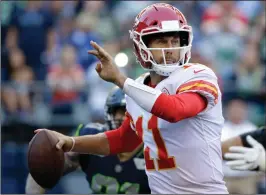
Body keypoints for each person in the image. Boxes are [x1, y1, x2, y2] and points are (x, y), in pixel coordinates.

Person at [35, 3, 228, 194]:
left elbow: (175, 110)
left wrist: (120, 80)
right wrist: (72, 142)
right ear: (141, 46)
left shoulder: (198, 75)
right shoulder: (138, 87)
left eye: (175, 41)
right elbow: (123, 140)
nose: (170, 49)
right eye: (161, 41)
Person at [26, 87, 150, 194]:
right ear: (109, 114)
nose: (124, 118)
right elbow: (46, 168)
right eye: (119, 111)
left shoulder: (154, 146)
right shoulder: (91, 134)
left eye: (130, 112)